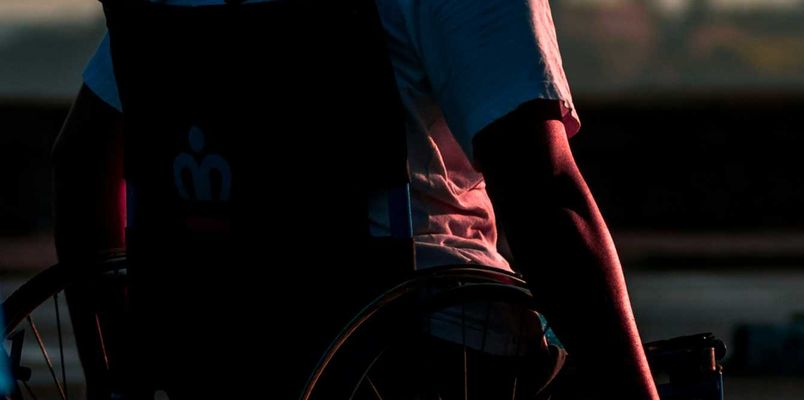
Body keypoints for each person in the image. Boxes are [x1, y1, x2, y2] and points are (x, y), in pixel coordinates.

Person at [52, 0, 659, 398]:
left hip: (215, 351)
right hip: (421, 352)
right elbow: (544, 197)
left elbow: (82, 160)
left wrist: (115, 380)